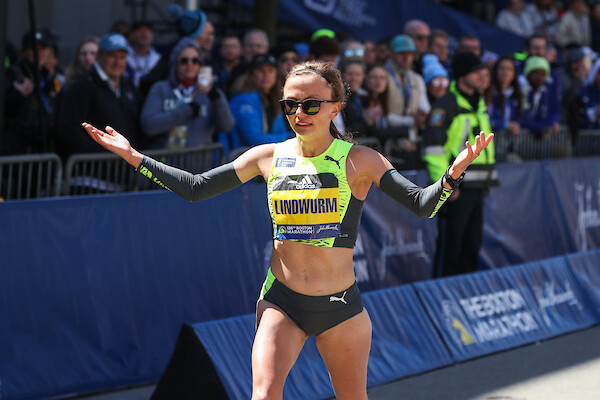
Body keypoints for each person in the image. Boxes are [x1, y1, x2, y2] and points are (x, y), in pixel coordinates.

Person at [81, 59, 492, 399]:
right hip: (282, 301)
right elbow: (196, 188)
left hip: (340, 308)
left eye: (311, 105)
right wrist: (134, 157)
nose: (299, 114)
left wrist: (452, 175)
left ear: (335, 108)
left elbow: (422, 205)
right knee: (263, 395)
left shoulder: (360, 160)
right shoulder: (267, 156)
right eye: (290, 105)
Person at [422, 52, 498, 278]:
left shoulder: (479, 104)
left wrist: (486, 181)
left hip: (477, 187)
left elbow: (485, 147)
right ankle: (440, 295)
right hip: (456, 189)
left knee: (471, 247)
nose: (483, 76)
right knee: (450, 250)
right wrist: (446, 185)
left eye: (483, 71)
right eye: (476, 72)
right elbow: (433, 149)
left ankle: (466, 294)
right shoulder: (446, 105)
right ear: (463, 75)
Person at [56, 33, 141, 158]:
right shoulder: (82, 86)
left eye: (122, 57)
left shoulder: (128, 85)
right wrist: (102, 156)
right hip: (93, 166)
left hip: (124, 164)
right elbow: (68, 129)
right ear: (100, 56)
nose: (117, 62)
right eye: (112, 56)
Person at [139, 38, 234, 149]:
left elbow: (227, 126)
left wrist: (215, 98)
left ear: (200, 64)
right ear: (175, 63)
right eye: (184, 60)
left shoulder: (211, 93)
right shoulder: (160, 88)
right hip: (166, 158)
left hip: (200, 159)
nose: (190, 64)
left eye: (195, 60)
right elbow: (148, 125)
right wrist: (185, 111)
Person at [227, 54, 291, 150]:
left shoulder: (274, 99)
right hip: (243, 155)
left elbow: (280, 131)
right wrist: (289, 138)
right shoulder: (244, 100)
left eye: (270, 70)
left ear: (276, 75)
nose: (266, 75)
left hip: (267, 153)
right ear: (251, 74)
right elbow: (252, 139)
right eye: (261, 70)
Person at [125, 21, 162, 87]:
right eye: (140, 30)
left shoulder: (158, 59)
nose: (144, 33)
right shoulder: (123, 56)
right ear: (131, 35)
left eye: (148, 30)